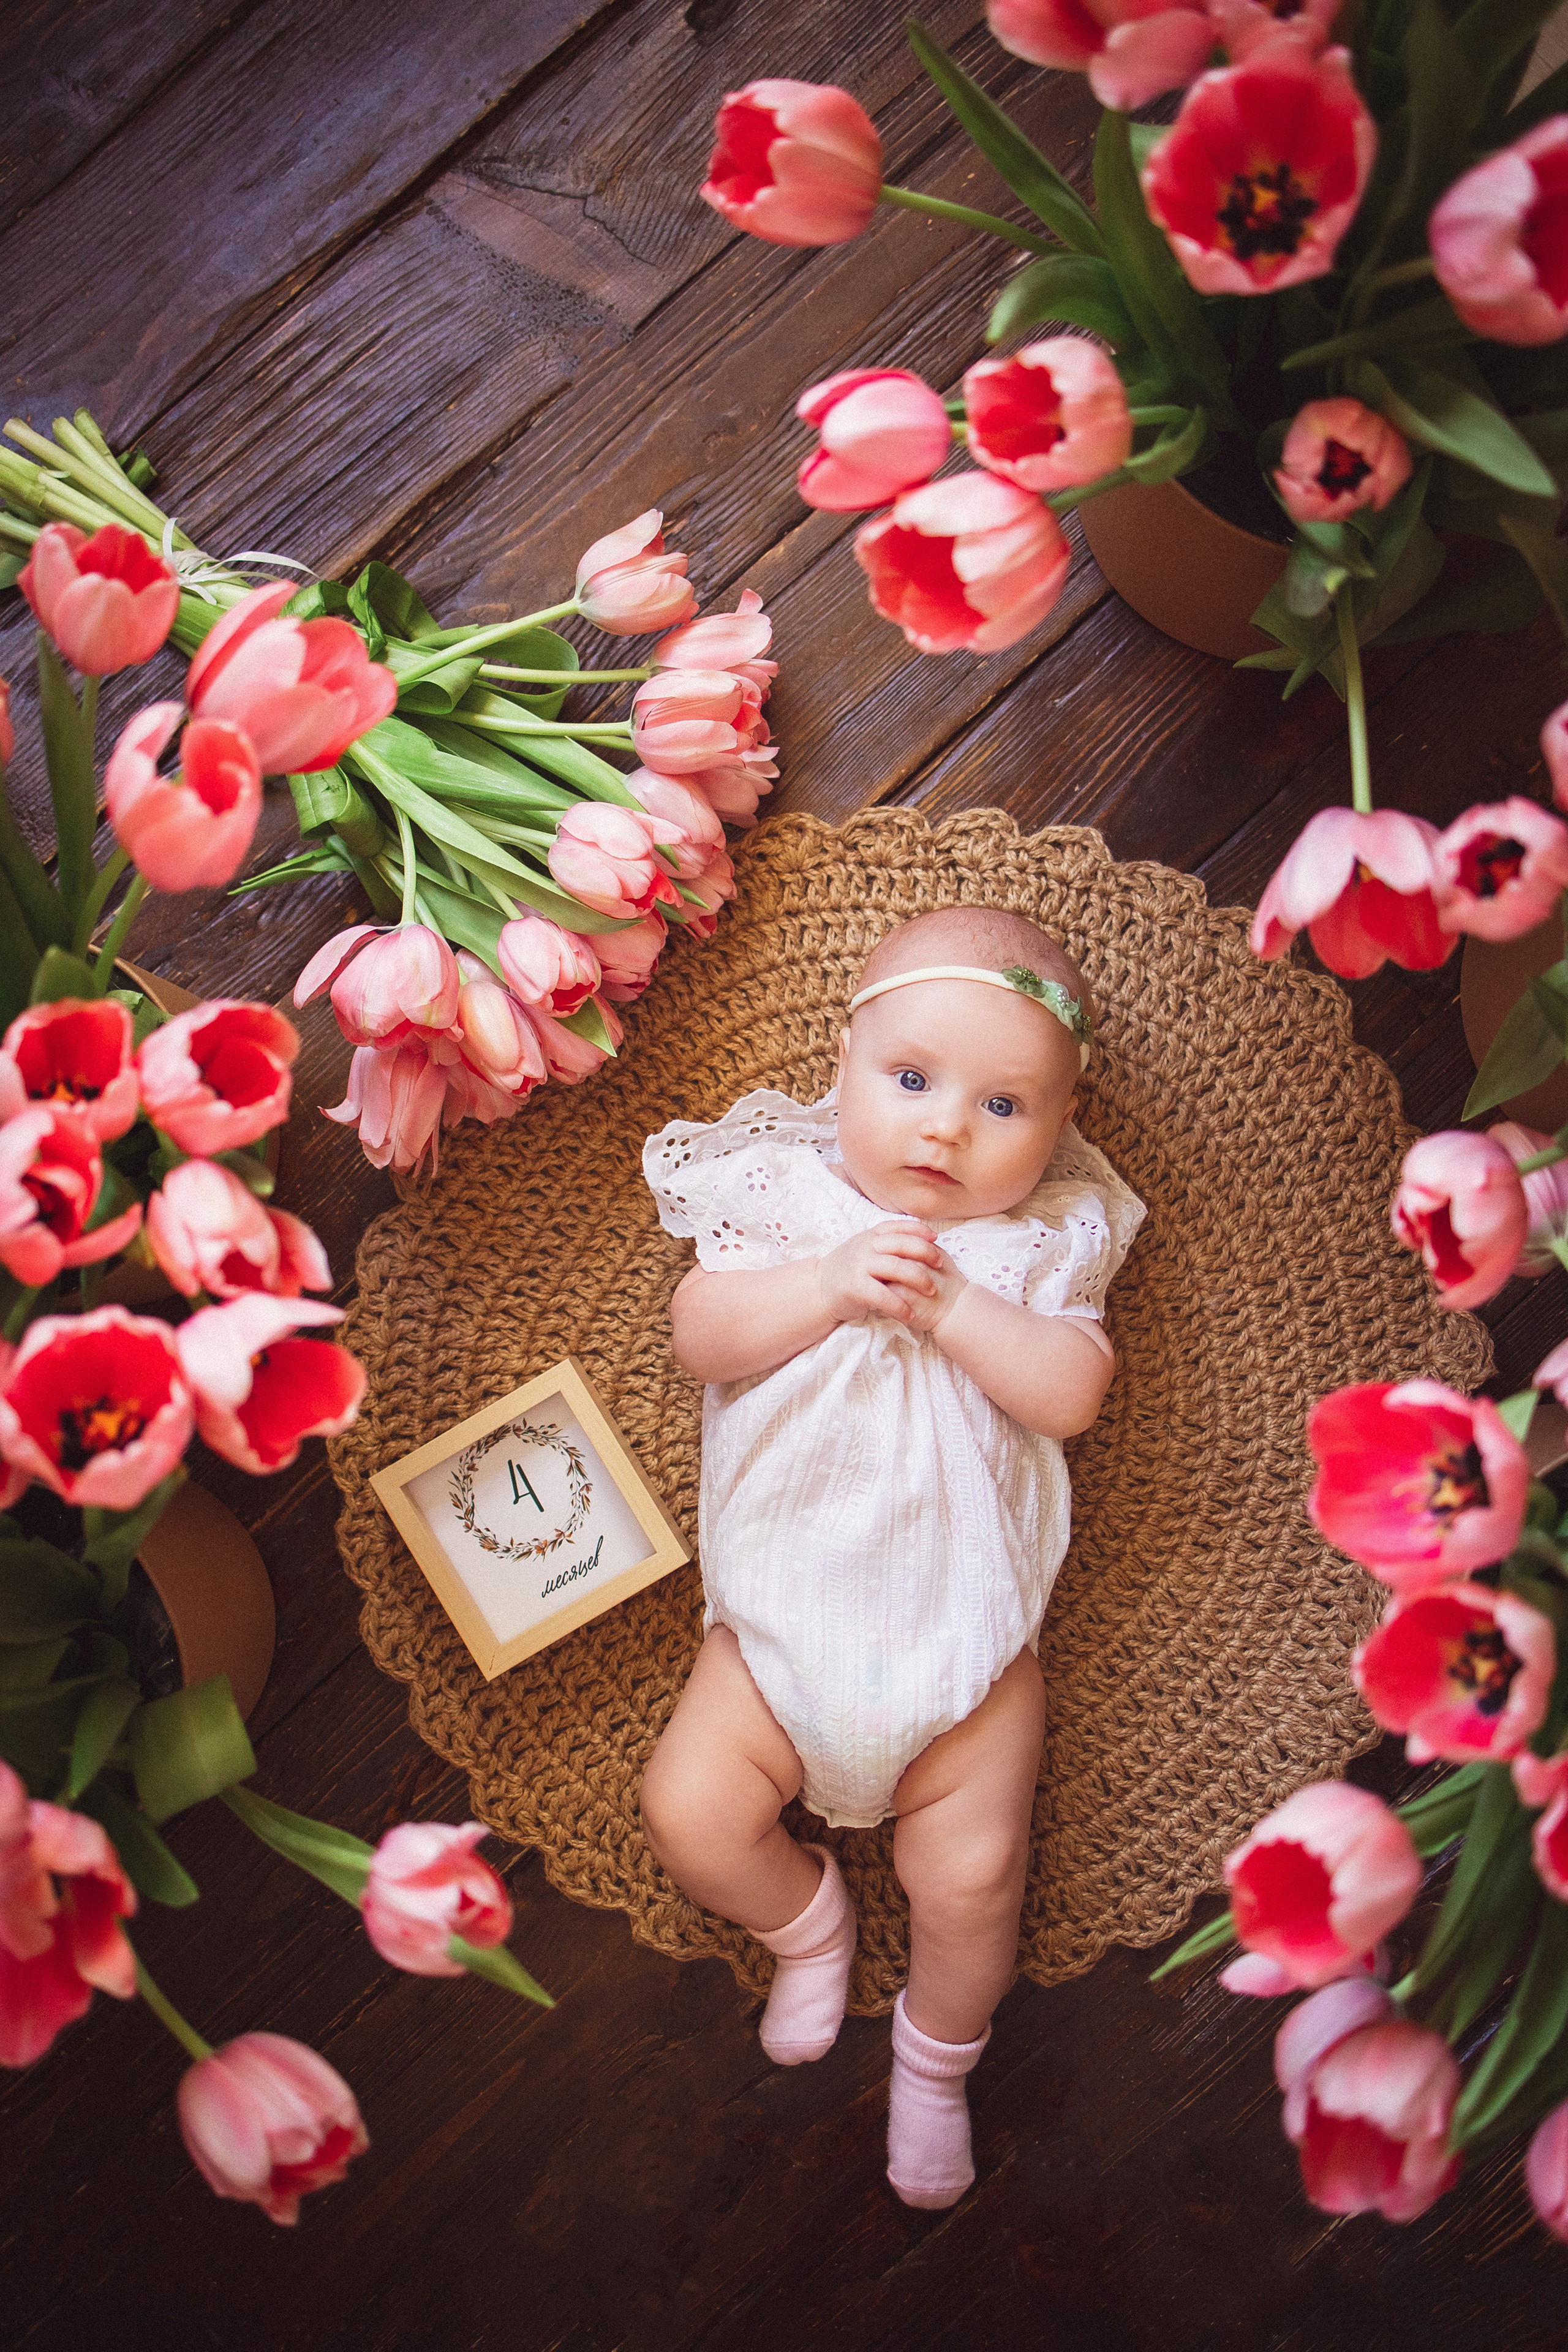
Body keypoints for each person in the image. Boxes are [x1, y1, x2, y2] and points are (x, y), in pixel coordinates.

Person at [638, 903, 1144, 2208]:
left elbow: (1071, 1395)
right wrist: (827, 1284)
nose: (944, 1129)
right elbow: (700, 1335)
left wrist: (959, 1307)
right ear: (844, 1066)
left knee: (973, 1879)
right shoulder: (790, 1202)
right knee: (688, 1814)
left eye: (1002, 1106)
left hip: (968, 1664)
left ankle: (936, 2060)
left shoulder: (1037, 1245)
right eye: (911, 1080)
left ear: (1061, 1124)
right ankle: (805, 1922)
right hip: (771, 1646)